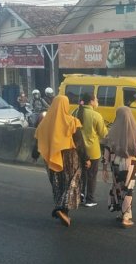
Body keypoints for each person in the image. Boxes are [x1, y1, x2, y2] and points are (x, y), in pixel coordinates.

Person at [33, 95, 86, 227]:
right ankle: (61, 209)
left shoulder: (44, 123)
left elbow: (38, 141)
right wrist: (86, 158)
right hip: (69, 157)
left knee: (58, 185)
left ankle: (64, 213)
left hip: (51, 157)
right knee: (71, 183)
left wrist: (34, 155)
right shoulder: (72, 121)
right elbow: (79, 142)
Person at [102, 106, 136, 227]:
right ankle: (126, 216)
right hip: (131, 164)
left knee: (119, 187)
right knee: (128, 189)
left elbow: (106, 150)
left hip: (115, 164)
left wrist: (105, 168)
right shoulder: (135, 132)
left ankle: (123, 213)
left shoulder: (112, 131)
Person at [74, 92, 108, 207]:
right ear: (91, 102)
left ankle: (80, 195)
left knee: (81, 174)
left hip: (78, 150)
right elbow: (103, 134)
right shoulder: (96, 116)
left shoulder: (75, 112)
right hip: (92, 152)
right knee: (92, 176)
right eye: (96, 99)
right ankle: (90, 199)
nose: (97, 101)